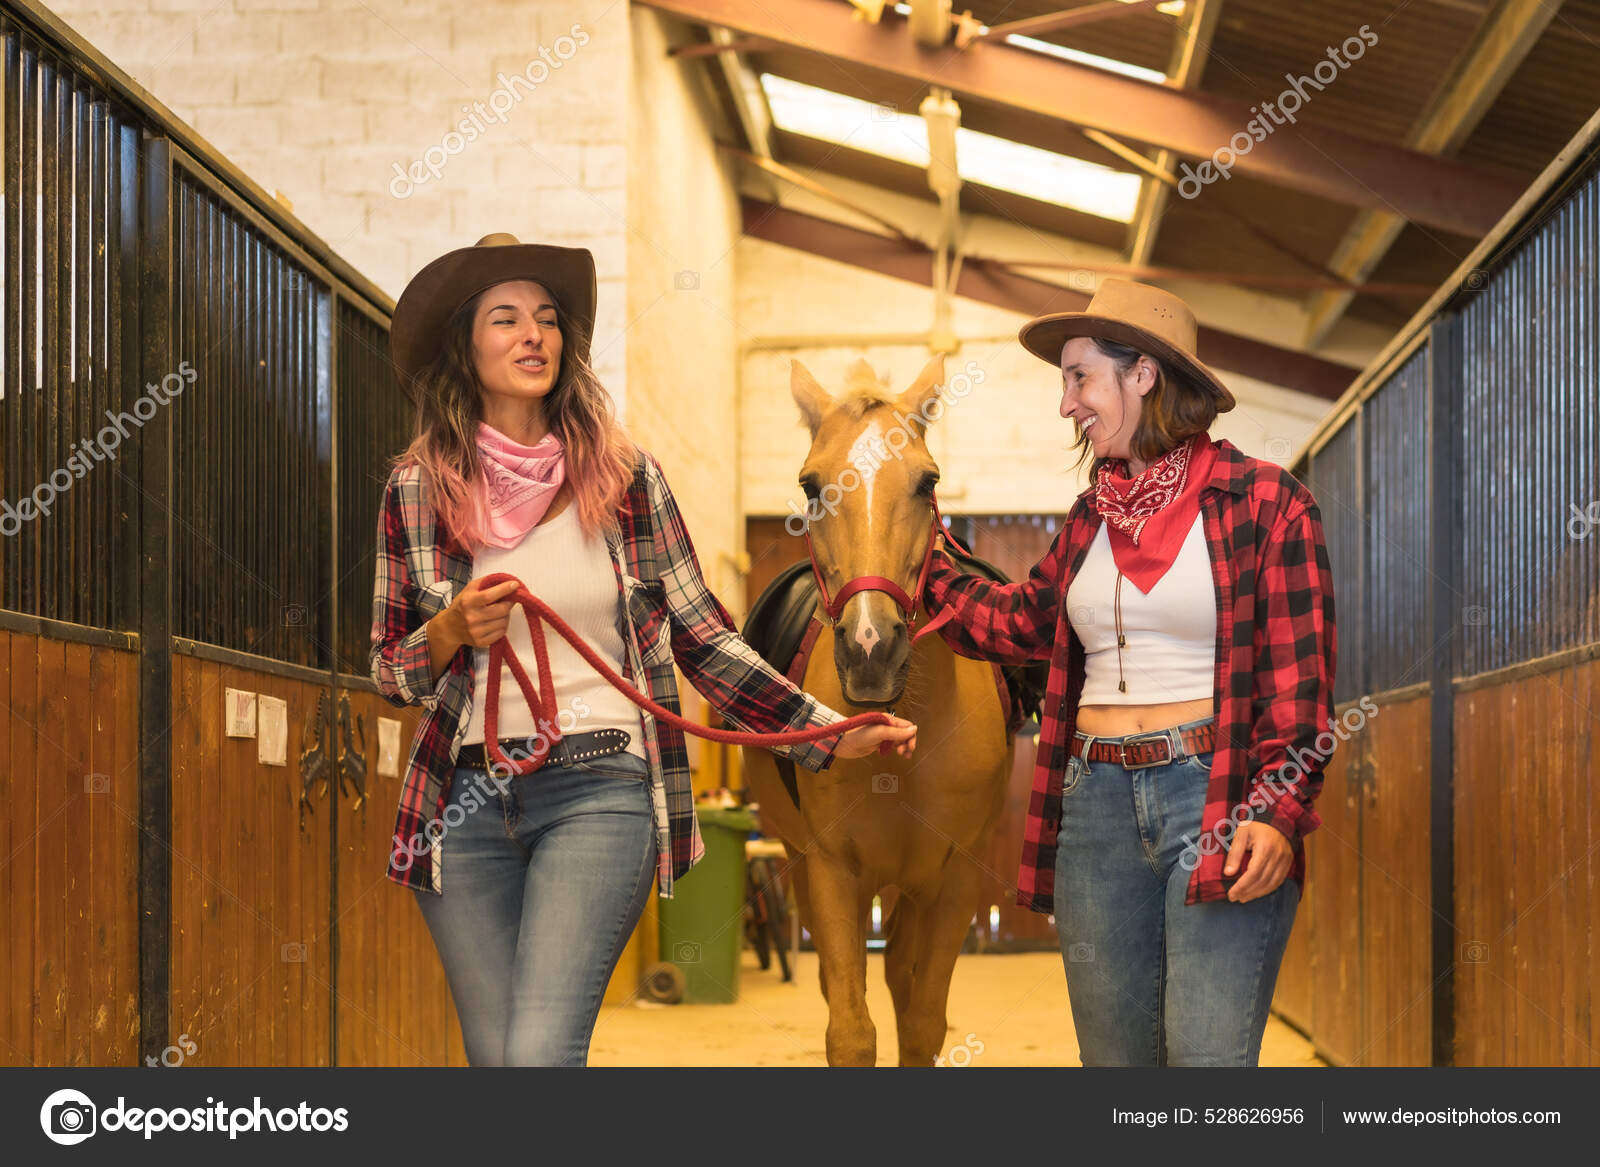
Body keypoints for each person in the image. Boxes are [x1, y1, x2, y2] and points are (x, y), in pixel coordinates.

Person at [369, 233, 917, 1066]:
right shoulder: (416, 489)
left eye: (547, 320)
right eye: (507, 318)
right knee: (495, 1062)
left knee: (537, 1058)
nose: (533, 336)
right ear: (464, 343)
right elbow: (387, 669)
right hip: (464, 803)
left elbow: (704, 638)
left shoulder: (624, 479)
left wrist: (825, 729)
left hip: (598, 788)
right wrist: (445, 634)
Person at [923, 279, 1336, 1066]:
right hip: (1094, 806)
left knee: (1207, 1064)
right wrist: (925, 562)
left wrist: (1276, 812)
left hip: (1212, 795)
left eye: (1079, 376)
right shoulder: (1090, 520)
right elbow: (1019, 622)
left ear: (1142, 373)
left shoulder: (1269, 503)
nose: (1066, 403)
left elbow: (1300, 683)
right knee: (1116, 1070)